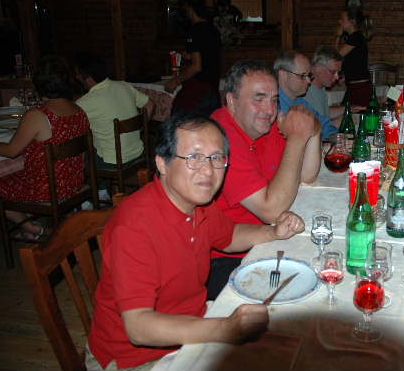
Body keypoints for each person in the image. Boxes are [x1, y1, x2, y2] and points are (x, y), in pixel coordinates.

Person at [86, 112, 305, 371]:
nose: (208, 170)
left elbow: (228, 236)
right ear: (162, 164)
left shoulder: (197, 202)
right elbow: (138, 327)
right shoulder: (134, 226)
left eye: (216, 158)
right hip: (135, 359)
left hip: (192, 324)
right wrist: (224, 329)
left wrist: (274, 232)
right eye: (194, 157)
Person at [210, 60, 321, 297]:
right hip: (227, 258)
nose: (269, 110)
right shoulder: (219, 138)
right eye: (258, 98)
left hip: (272, 237)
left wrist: (313, 130)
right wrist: (297, 138)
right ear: (231, 101)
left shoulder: (262, 126)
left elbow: (307, 175)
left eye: (274, 99)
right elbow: (270, 210)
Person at [0, 55, 90, 239]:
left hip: (45, 189)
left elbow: (11, 151)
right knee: (15, 174)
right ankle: (28, 229)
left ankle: (31, 228)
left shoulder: (38, 115)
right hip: (74, 183)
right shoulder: (79, 111)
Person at [75, 52, 153, 174]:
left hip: (113, 162)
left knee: (81, 154)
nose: (76, 78)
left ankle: (102, 186)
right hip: (138, 153)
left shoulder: (85, 102)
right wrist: (141, 126)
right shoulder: (124, 85)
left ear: (88, 79)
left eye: (78, 76)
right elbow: (150, 104)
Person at [166, 0, 222, 117]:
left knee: (179, 120)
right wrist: (191, 55)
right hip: (213, 89)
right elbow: (209, 54)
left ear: (190, 9)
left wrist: (175, 81)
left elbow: (196, 67)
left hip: (199, 91)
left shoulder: (195, 31)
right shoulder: (213, 29)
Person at [275, 50, 338, 140]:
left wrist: (337, 139)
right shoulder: (274, 105)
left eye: (309, 76)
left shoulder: (301, 101)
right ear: (283, 75)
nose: (308, 81)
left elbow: (325, 125)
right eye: (302, 76)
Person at [335, 7, 373, 107]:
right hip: (355, 86)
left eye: (342, 19)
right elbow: (353, 61)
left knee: (348, 113)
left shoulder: (356, 37)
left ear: (352, 21)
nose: (339, 21)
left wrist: (337, 37)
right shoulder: (354, 37)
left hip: (360, 88)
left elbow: (335, 57)